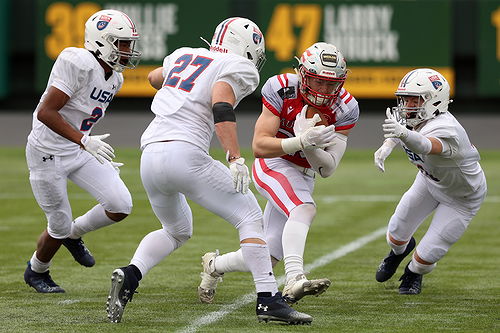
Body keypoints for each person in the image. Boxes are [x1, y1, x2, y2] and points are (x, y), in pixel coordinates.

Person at [105, 17, 312, 325]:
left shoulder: (183, 54)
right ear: (246, 48)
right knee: (251, 217)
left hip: (149, 155)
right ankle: (268, 300)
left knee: (177, 230)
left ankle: (131, 275)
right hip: (184, 153)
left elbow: (153, 77)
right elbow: (221, 103)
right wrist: (234, 156)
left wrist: (181, 83)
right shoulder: (237, 66)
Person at [197, 42, 359, 305]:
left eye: (331, 84)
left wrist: (309, 145)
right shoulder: (282, 88)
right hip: (273, 162)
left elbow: (327, 168)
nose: (324, 91)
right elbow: (260, 146)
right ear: (303, 75)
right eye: (318, 82)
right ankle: (295, 278)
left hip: (305, 172)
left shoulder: (346, 107)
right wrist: (300, 141)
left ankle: (214, 265)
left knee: (267, 255)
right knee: (304, 208)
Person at [23, 9, 141, 293]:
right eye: (121, 43)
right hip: (47, 152)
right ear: (101, 41)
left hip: (78, 148)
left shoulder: (115, 77)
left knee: (120, 204)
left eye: (128, 44)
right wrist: (84, 141)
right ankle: (37, 271)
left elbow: (81, 113)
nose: (126, 50)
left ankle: (74, 235)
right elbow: (46, 112)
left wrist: (85, 141)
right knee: (59, 224)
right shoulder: (77, 62)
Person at [373, 68, 487, 294]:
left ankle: (413, 273)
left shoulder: (447, 128)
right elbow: (400, 128)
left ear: (434, 101)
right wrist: (386, 146)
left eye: (414, 100)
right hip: (428, 181)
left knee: (428, 255)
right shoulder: (416, 117)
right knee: (396, 233)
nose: (407, 106)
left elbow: (425, 145)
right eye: (404, 100)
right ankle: (397, 254)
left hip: (461, 197)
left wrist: (402, 134)